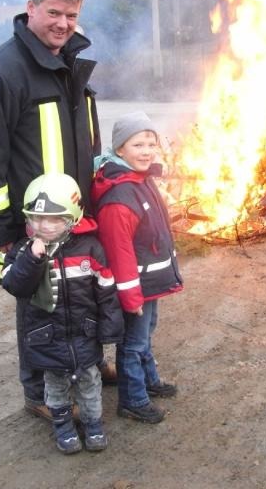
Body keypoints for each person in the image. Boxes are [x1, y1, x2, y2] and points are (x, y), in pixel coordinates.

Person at [0, 0, 115, 422]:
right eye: (53, 12)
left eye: (71, 15)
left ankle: (86, 363)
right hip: (33, 223)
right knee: (39, 304)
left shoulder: (70, 64)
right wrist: (2, 235)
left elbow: (86, 141)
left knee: (80, 292)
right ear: (30, 8)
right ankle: (39, 393)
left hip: (76, 216)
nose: (62, 24)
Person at [1, 173, 123, 454]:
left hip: (84, 335)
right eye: (36, 218)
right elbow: (14, 285)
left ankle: (93, 425)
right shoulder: (23, 250)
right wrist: (33, 259)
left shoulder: (90, 249)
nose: (44, 226)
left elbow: (106, 292)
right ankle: (64, 427)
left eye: (55, 219)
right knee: (54, 387)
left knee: (90, 383)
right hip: (48, 339)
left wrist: (110, 331)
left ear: (72, 217)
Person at [91, 111, 184, 424]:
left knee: (147, 334)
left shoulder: (140, 179)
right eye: (137, 144)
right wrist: (130, 298)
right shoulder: (120, 195)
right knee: (132, 343)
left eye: (150, 143)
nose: (146, 151)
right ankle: (133, 399)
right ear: (120, 149)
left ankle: (149, 380)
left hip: (150, 281)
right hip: (135, 286)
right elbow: (120, 252)